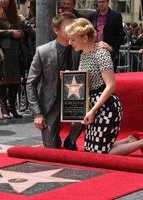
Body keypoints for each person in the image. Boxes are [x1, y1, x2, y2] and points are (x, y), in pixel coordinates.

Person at [65, 18, 143, 155]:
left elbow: (111, 85)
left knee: (100, 153)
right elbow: (87, 80)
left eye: (72, 39)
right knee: (92, 149)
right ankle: (128, 141)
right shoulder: (83, 54)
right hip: (94, 106)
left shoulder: (101, 53)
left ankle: (140, 143)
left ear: (84, 37)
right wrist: (70, 78)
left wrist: (93, 110)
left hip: (106, 107)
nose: (70, 43)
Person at [26, 12, 79, 148]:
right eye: (69, 27)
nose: (74, 30)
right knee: (51, 147)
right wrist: (37, 113)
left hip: (76, 101)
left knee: (71, 143)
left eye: (75, 26)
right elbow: (31, 84)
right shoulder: (42, 51)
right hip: (51, 104)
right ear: (56, 30)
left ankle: (70, 141)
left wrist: (104, 46)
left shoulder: (81, 48)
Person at [0, 0, 23, 119]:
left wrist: (20, 33)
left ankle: (12, 107)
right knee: (4, 79)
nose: (4, 1)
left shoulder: (15, 15)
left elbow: (22, 32)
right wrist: (10, 33)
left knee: (15, 79)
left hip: (15, 50)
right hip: (3, 50)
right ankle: (4, 107)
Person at [88, 0, 125, 72]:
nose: (101, 4)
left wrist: (113, 49)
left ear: (108, 2)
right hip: (94, 52)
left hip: (109, 52)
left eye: (103, 2)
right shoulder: (92, 16)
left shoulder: (116, 16)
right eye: (99, 2)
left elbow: (120, 35)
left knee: (108, 78)